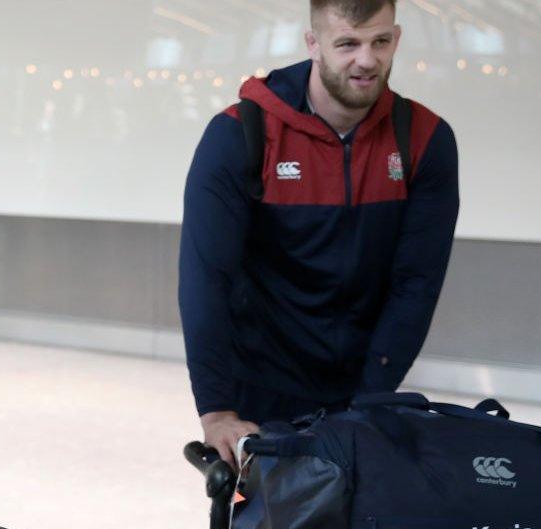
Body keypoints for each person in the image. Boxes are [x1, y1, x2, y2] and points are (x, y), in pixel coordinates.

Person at [179, 0, 459, 466]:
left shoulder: (424, 139)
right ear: (314, 44)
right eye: (347, 43)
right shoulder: (240, 134)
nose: (366, 60)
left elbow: (417, 280)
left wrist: (370, 399)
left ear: (397, 39)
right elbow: (205, 276)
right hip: (260, 387)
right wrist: (216, 411)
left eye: (380, 42)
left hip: (367, 381)